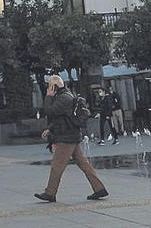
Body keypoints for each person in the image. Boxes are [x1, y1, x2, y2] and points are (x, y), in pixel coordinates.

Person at [35, 75, 108, 203]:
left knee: (57, 166)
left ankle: (50, 193)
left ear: (54, 86)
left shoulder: (63, 98)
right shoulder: (66, 96)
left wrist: (48, 96)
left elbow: (50, 111)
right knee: (83, 164)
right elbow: (61, 118)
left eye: (50, 85)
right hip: (71, 135)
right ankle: (99, 189)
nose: (48, 88)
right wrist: (50, 129)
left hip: (66, 137)